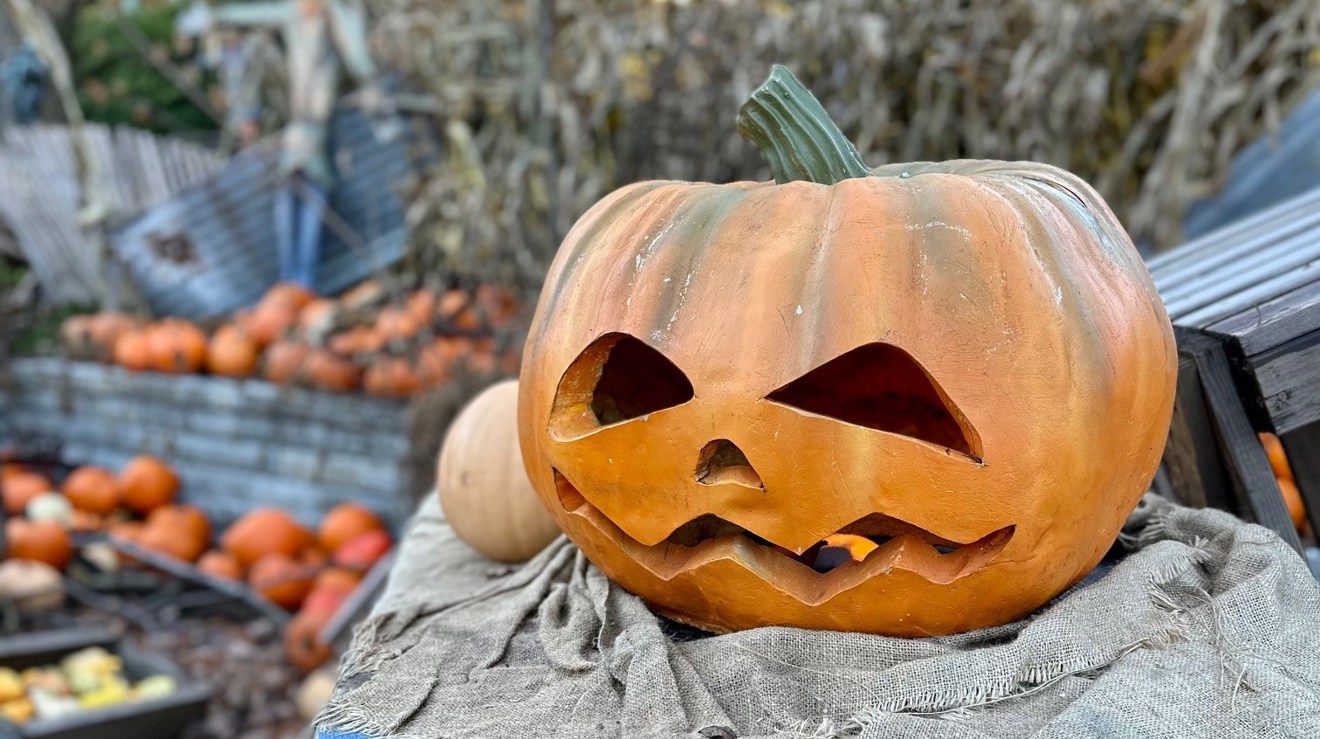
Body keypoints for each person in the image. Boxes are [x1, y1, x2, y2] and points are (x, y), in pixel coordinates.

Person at [179, 0, 382, 290]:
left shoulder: (331, 19)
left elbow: (361, 61)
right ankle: (293, 280)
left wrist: (339, 13)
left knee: (310, 188)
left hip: (319, 125)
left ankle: (303, 280)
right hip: (297, 126)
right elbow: (252, 15)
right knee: (292, 192)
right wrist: (216, 15)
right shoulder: (293, 17)